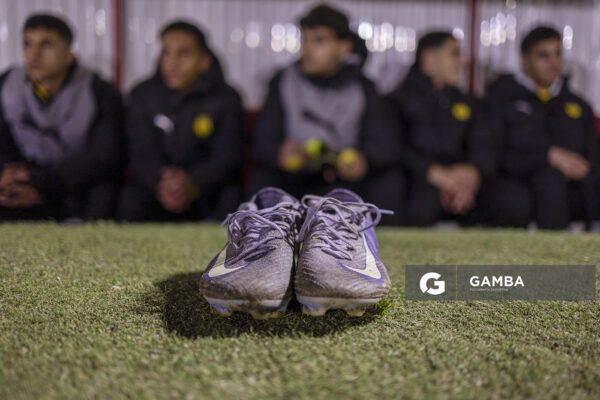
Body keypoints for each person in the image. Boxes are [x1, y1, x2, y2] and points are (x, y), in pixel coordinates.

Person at [248, 4, 403, 224]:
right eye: (305, 40)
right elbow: (263, 140)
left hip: (345, 182)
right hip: (296, 179)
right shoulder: (282, 82)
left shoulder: (364, 88)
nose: (307, 49)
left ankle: (378, 247)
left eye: (319, 41)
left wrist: (364, 160)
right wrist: (279, 153)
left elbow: (385, 143)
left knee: (389, 181)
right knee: (262, 181)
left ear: (344, 47)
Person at [0, 14, 124, 221]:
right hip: (25, 184)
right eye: (28, 44)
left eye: (46, 45)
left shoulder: (100, 91)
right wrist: (8, 176)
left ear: (69, 55)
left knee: (106, 194)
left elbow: (105, 156)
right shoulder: (7, 85)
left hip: (74, 185)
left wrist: (44, 180)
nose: (34, 54)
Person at [118, 21, 243, 221]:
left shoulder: (227, 98)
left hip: (205, 191)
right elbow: (141, 152)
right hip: (158, 190)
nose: (172, 63)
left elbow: (226, 157)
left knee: (231, 196)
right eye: (166, 53)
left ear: (204, 62)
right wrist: (163, 182)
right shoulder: (142, 95)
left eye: (183, 54)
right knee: (129, 198)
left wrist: (193, 183)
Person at [485, 26, 599, 229]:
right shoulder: (501, 98)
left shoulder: (579, 105)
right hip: (517, 185)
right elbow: (494, 153)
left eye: (557, 54)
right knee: (543, 184)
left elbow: (592, 158)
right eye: (543, 56)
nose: (553, 62)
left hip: (573, 188)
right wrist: (547, 157)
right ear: (524, 59)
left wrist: (580, 168)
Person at [387, 32, 495, 226]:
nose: (461, 62)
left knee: (505, 199)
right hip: (419, 181)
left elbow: (485, 142)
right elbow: (393, 147)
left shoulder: (469, 102)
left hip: (465, 185)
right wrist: (435, 174)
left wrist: (473, 172)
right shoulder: (398, 100)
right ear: (429, 59)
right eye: (454, 54)